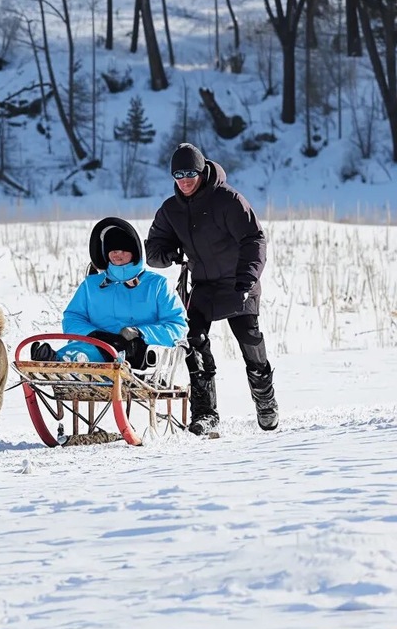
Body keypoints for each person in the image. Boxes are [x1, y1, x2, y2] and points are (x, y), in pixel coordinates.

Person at [144, 142, 279, 435]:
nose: (185, 179)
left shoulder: (227, 200)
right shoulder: (171, 210)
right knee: (193, 339)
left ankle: (265, 402)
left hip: (238, 281)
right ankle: (205, 414)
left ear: (202, 170)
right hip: (204, 286)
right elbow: (152, 249)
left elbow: (254, 239)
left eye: (190, 172)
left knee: (248, 337)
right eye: (178, 174)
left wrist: (247, 280)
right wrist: (170, 254)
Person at [31, 217, 187, 370]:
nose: (116, 253)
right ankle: (57, 362)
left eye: (123, 248)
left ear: (135, 251)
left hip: (139, 357)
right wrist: (94, 334)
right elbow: (73, 318)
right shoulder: (91, 285)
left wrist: (140, 333)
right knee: (87, 350)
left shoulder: (157, 285)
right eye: (112, 249)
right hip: (96, 348)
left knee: (107, 354)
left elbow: (177, 326)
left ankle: (63, 364)